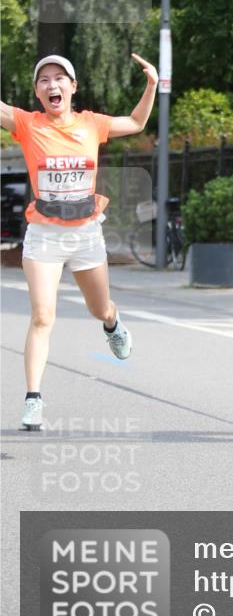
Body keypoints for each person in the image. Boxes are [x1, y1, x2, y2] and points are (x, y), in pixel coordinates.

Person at [0, 53, 158, 432]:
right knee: (42, 316)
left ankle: (113, 324)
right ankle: (33, 399)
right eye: (44, 80)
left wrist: (152, 84)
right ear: (37, 92)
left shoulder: (92, 124)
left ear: (72, 87)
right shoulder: (27, 123)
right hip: (44, 236)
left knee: (99, 309)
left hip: (86, 234)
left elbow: (137, 122)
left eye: (59, 78)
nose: (52, 85)